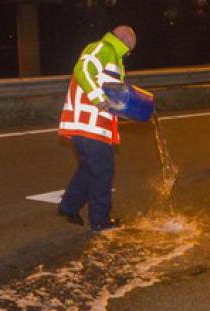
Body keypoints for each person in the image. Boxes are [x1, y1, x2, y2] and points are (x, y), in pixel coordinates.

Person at [57, 26, 136, 233]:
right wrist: (98, 99)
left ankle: (69, 206)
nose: (130, 54)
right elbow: (82, 70)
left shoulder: (113, 58)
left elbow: (110, 91)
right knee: (103, 171)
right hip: (89, 124)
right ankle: (100, 222)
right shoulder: (102, 48)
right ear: (126, 41)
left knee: (89, 168)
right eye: (130, 49)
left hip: (91, 125)